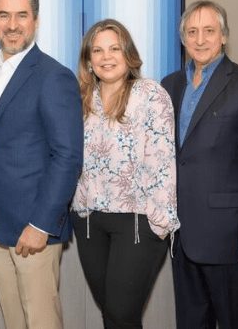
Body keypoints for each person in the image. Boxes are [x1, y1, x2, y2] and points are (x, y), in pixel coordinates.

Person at [161, 0, 238, 329]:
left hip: (231, 237)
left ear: (224, 36)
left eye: (209, 31)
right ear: (183, 39)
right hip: (182, 236)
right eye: (192, 32)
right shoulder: (169, 86)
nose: (200, 40)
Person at [0, 0, 84, 329]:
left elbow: (67, 156)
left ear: (35, 21)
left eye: (21, 15)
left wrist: (41, 225)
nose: (12, 24)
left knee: (41, 321)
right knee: (13, 319)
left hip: (34, 224)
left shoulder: (53, 76)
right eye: (4, 15)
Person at [71, 19, 180, 328]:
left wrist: (159, 223)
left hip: (138, 221)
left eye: (114, 49)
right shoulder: (81, 98)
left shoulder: (151, 95)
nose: (106, 57)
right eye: (97, 50)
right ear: (88, 59)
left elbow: (162, 161)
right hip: (88, 220)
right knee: (113, 314)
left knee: (121, 312)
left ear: (128, 54)